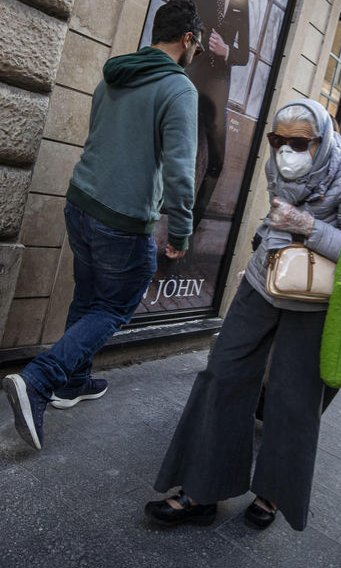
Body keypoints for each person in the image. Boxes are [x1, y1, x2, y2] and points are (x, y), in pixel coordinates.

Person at [144, 98, 341, 531]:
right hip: (262, 283)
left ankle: (273, 493)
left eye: (298, 142)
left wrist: (307, 227)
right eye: (278, 140)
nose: (286, 149)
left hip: (312, 301)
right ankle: (201, 489)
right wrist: (260, 249)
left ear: (323, 139)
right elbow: (274, 221)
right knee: (222, 375)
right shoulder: (277, 163)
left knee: (294, 400)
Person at [2, 0, 203, 451]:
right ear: (187, 39)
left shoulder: (116, 74)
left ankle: (73, 382)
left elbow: (98, 136)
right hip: (122, 219)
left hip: (81, 202)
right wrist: (181, 231)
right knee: (114, 308)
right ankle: (39, 380)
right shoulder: (178, 88)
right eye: (198, 46)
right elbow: (180, 170)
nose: (197, 55)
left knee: (90, 297)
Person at [189, 0, 249, 229]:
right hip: (190, 76)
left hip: (218, 89)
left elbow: (243, 55)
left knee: (217, 161)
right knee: (175, 146)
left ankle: (191, 227)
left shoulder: (242, 5)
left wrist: (226, 51)